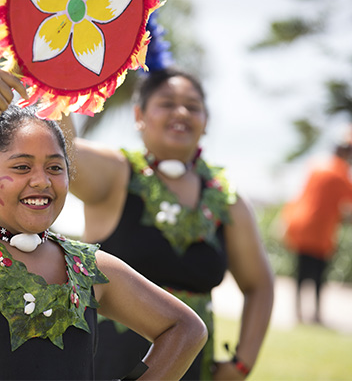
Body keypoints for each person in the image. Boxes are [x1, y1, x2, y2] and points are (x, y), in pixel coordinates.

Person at [0, 64, 208, 380]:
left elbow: (185, 329)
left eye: (55, 168)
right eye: (21, 167)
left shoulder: (89, 269)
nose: (42, 181)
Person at [62, 67, 274, 380]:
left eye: (193, 106)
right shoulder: (117, 174)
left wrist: (241, 365)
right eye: (167, 102)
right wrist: (53, 75)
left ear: (206, 122)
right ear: (139, 115)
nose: (181, 112)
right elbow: (61, 149)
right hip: (103, 364)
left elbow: (260, 285)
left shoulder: (226, 199)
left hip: (190, 369)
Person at [282, 132, 352, 324]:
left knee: (302, 272)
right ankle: (315, 315)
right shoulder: (341, 173)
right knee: (318, 275)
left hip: (300, 225)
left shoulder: (316, 166)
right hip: (320, 232)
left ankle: (298, 313)